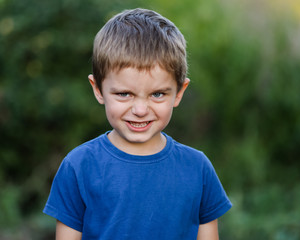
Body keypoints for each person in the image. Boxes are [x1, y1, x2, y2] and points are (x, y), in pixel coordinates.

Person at [43, 8, 232, 240]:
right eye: (124, 94)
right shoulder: (78, 167)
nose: (141, 110)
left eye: (158, 94)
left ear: (179, 92)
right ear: (98, 89)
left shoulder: (198, 169)